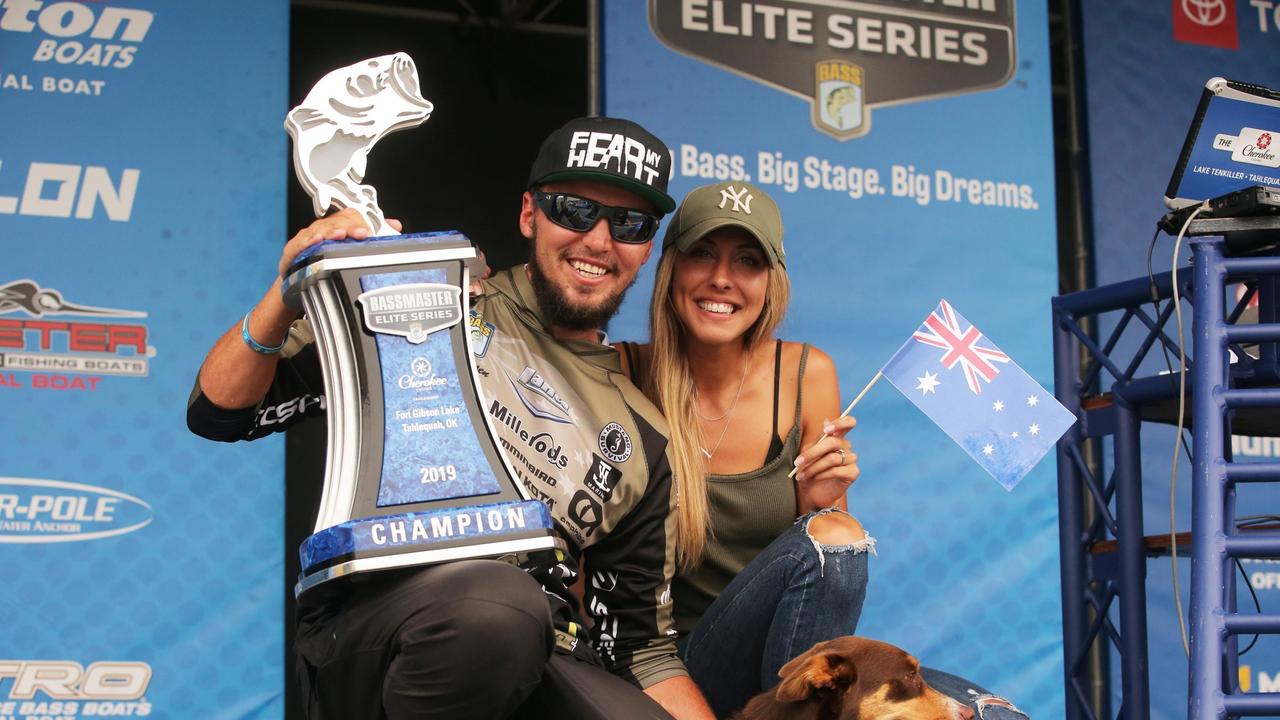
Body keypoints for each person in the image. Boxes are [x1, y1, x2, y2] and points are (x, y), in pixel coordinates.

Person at [186, 117, 715, 720]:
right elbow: (220, 413)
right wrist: (287, 292)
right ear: (529, 215)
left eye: (629, 224)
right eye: (573, 209)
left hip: (539, 649)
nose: (598, 241)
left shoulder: (644, 438)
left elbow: (641, 649)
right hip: (383, 622)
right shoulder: (431, 295)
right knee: (498, 610)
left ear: (647, 246)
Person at [616, 181, 1028, 719]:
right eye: (701, 254)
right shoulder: (623, 373)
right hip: (670, 670)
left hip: (785, 676)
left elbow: (824, 590)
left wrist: (821, 502)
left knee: (993, 714)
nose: (722, 278)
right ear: (671, 268)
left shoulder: (808, 372)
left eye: (747, 260)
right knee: (833, 540)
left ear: (772, 283)